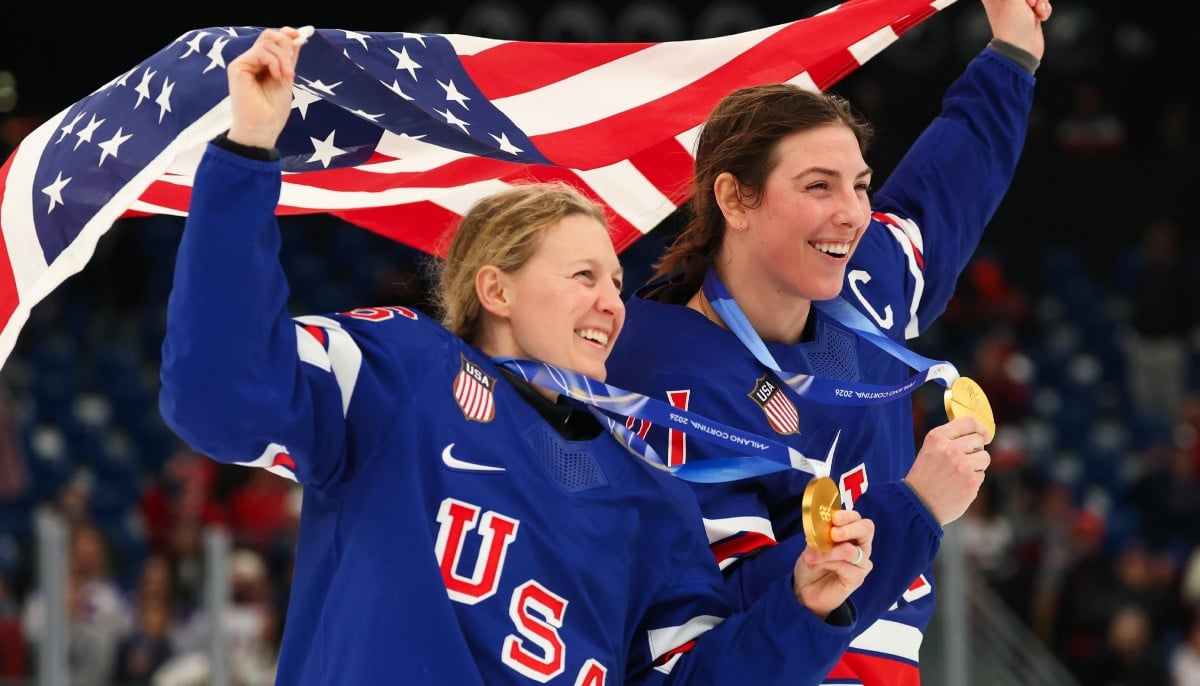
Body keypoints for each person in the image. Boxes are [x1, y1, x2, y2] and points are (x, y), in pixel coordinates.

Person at [157, 26, 878, 686]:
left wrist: (804, 610)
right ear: (496, 288)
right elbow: (222, 396)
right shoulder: (404, 369)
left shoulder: (650, 495)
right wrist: (247, 154)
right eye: (584, 276)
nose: (612, 303)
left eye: (619, 284)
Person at [605, 0, 1051, 683]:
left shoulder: (866, 281)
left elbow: (957, 172)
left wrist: (1013, 48)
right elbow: (728, 616)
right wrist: (915, 508)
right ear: (734, 199)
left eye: (861, 185)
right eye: (818, 187)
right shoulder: (657, 370)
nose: (850, 213)